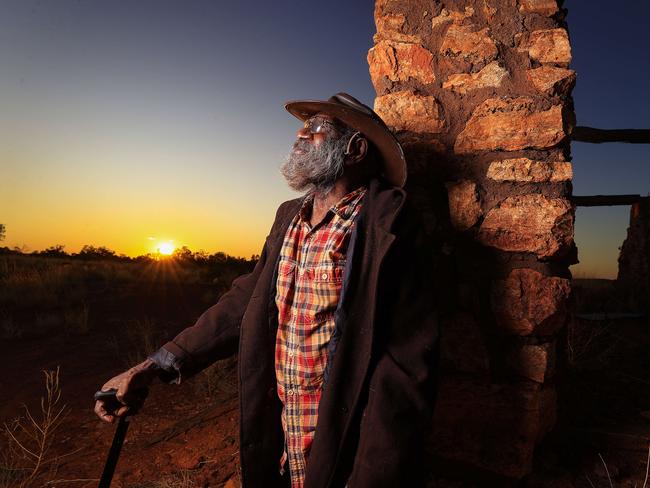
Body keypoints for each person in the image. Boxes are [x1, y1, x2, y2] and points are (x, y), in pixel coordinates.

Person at [95, 92, 442, 488]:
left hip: (344, 447)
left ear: (355, 149)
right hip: (284, 438)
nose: (300, 132)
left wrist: (374, 475)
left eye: (317, 129)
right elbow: (248, 300)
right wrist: (155, 365)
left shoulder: (388, 223)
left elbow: (405, 365)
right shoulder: (289, 216)